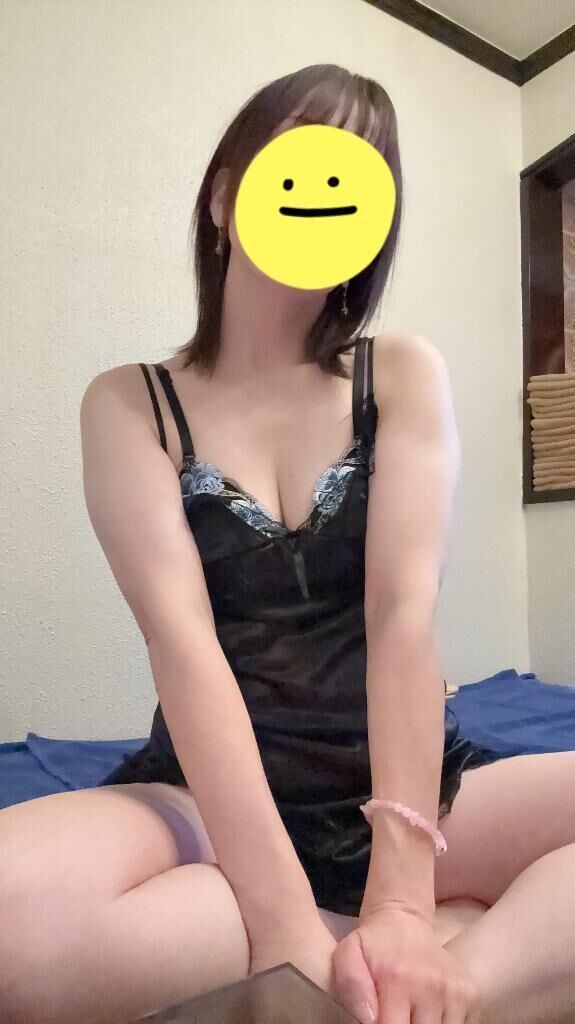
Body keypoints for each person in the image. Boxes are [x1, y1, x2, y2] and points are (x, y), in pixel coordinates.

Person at [1, 63, 575, 1024]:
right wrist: (282, 931)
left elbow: (402, 617)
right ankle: (411, 953)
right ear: (224, 195)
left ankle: (450, 981)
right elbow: (183, 649)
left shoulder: (399, 374)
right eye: (298, 159)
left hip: (411, 798)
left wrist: (400, 901)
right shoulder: (129, 403)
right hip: (206, 807)